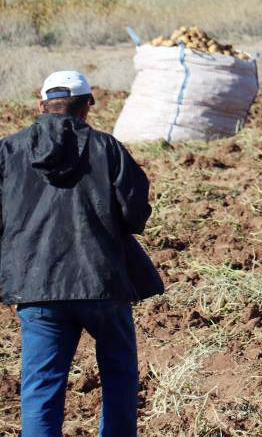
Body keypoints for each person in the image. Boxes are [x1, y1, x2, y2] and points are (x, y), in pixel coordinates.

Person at [0, 71, 157, 437]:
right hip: (102, 284)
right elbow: (135, 214)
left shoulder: (8, 152)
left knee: (41, 384)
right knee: (119, 374)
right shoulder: (108, 148)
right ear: (87, 106)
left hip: (36, 287)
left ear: (41, 106)